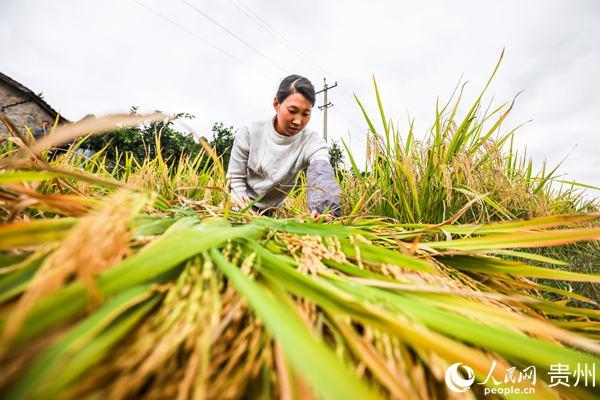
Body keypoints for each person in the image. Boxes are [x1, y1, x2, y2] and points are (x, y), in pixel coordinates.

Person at [226, 74, 341, 217]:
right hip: (242, 206)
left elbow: (321, 173)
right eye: (292, 111)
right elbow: (235, 178)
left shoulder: (312, 142)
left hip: (274, 212)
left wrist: (324, 209)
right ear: (276, 104)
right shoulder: (249, 133)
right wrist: (243, 213)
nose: (298, 121)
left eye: (305, 114)